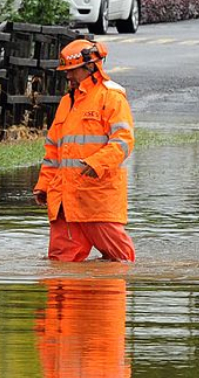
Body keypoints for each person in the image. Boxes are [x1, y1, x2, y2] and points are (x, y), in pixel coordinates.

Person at [34, 39, 136, 262]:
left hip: (96, 198)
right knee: (61, 264)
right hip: (63, 199)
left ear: (91, 67)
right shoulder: (66, 102)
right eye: (66, 72)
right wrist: (43, 185)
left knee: (120, 261)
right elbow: (53, 151)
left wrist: (97, 163)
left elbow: (123, 141)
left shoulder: (111, 97)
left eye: (72, 71)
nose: (68, 77)